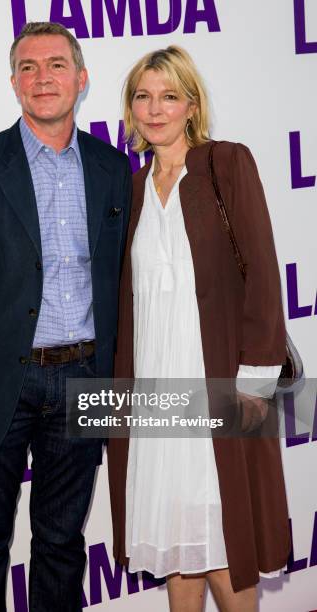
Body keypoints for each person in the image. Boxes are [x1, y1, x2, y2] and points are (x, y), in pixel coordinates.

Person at [0, 21, 131, 612]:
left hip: (85, 382)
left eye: (57, 65)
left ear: (81, 78)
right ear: (14, 83)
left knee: (62, 544)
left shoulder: (113, 168)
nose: (44, 78)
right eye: (29, 67)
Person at [108, 46, 290, 612]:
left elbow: (262, 269)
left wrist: (255, 382)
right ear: (130, 107)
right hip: (154, 388)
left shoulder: (226, 164)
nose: (154, 109)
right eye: (143, 96)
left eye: (168, 96)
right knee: (173, 539)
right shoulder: (131, 188)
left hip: (217, 382)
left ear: (191, 104)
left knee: (222, 537)